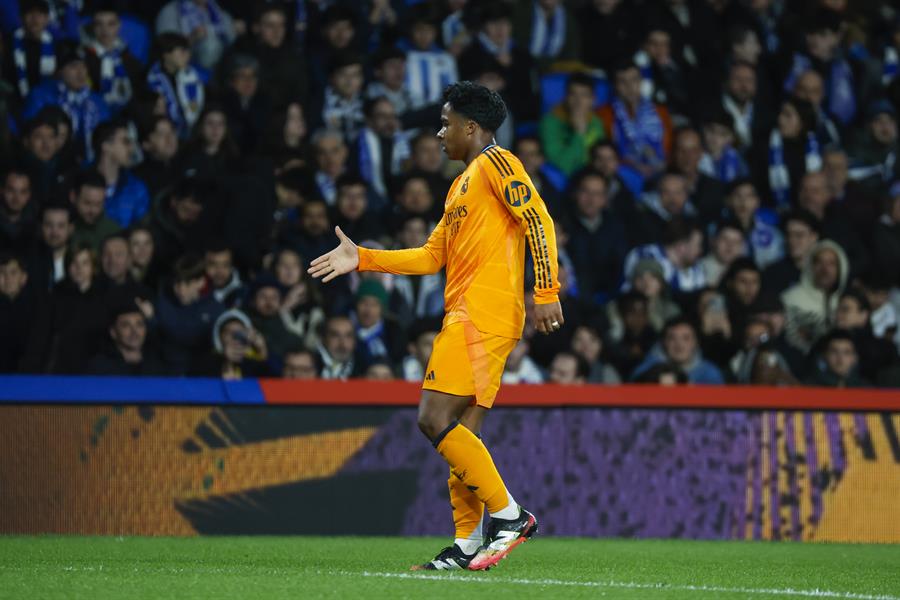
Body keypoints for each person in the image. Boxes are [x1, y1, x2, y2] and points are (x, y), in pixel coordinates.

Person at [308, 82, 561, 571]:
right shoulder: (461, 186)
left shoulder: (497, 163)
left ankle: (509, 516)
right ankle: (467, 546)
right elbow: (430, 258)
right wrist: (361, 257)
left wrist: (546, 291)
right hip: (475, 315)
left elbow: (538, 219)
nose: (439, 132)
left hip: (481, 313)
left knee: (432, 418)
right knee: (463, 434)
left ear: (472, 127)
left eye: (446, 123)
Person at [539, 72, 605, 177]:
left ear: (593, 100)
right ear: (566, 97)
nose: (578, 101)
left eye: (584, 95)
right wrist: (579, 133)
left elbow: (600, 160)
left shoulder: (596, 122)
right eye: (573, 94)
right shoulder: (550, 123)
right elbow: (564, 166)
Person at [631, 316, 724, 384]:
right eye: (672, 338)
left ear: (696, 343)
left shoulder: (710, 373)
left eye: (686, 338)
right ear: (663, 342)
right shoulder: (647, 368)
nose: (679, 345)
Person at [86, 304, 167, 375]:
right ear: (113, 332)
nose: (134, 331)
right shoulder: (99, 367)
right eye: (126, 325)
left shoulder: (158, 364)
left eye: (139, 324)